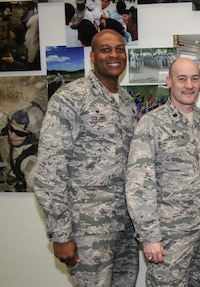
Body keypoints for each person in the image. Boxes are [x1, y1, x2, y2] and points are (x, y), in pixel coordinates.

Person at [34, 30, 139, 287]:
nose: (114, 55)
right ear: (92, 56)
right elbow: (50, 170)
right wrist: (61, 234)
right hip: (88, 228)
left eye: (119, 49)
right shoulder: (71, 97)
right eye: (105, 49)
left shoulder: (126, 102)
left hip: (125, 226)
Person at [125, 58, 200, 287]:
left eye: (194, 79)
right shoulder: (151, 124)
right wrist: (150, 236)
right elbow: (139, 184)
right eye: (182, 79)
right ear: (169, 82)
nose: (189, 85)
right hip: (170, 236)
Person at [0, 102, 44, 192]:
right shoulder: (5, 126)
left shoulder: (30, 161)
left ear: (31, 136)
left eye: (20, 133)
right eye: (11, 129)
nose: (12, 135)